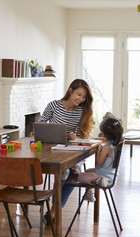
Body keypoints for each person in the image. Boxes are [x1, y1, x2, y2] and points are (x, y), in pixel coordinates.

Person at [37, 78, 95, 223]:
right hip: (52, 149)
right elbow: (41, 124)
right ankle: (55, 207)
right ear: (70, 90)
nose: (81, 99)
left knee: (74, 172)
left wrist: (76, 137)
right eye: (79, 94)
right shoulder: (54, 105)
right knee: (64, 172)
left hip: (73, 149)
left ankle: (54, 209)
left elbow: (84, 136)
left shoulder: (82, 111)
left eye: (84, 97)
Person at [81, 117, 123, 202]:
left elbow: (99, 163)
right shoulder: (116, 144)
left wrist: (100, 150)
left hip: (103, 176)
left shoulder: (107, 147)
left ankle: (99, 181)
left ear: (103, 134)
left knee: (80, 177)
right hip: (112, 176)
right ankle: (89, 194)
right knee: (88, 171)